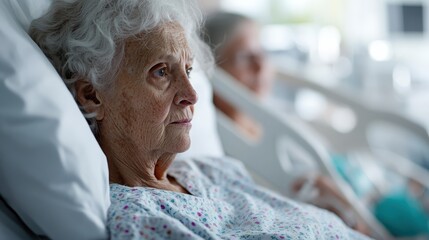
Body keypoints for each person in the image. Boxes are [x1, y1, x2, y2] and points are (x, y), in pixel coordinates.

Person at [30, 0, 371, 239]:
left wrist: (327, 212)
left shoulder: (210, 170)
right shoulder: (145, 221)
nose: (192, 95)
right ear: (91, 95)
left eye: (188, 70)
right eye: (161, 71)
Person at [203, 12, 372, 234]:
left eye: (262, 53)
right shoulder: (223, 147)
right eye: (244, 56)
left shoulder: (273, 121)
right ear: (212, 72)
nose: (261, 65)